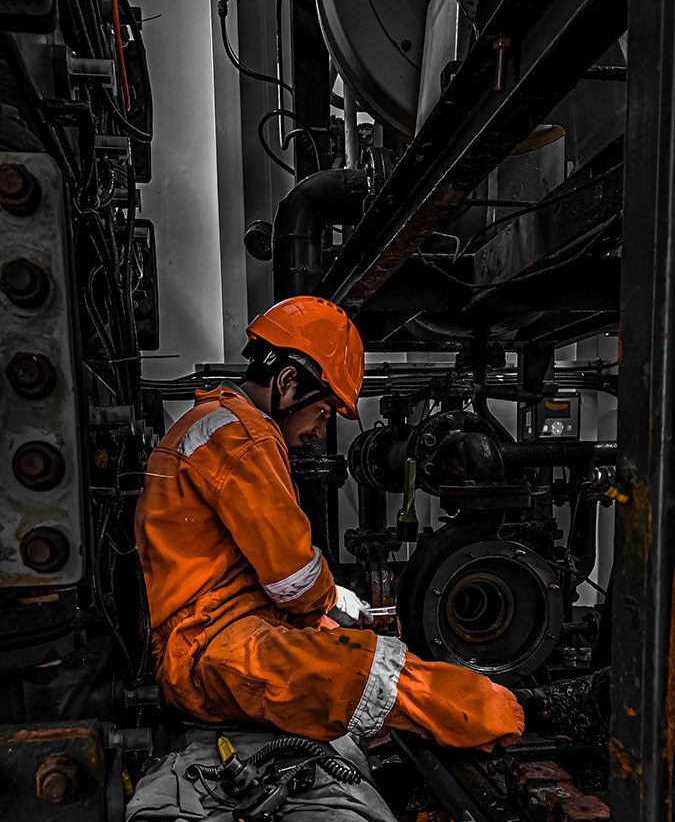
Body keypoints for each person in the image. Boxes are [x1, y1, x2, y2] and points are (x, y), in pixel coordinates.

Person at [135, 295, 524, 751]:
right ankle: (515, 717)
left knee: (352, 648)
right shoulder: (243, 435)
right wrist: (331, 601)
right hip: (205, 650)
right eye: (322, 411)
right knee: (369, 673)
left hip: (219, 628)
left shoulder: (214, 424)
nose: (320, 430)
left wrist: (332, 609)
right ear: (287, 382)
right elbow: (293, 579)